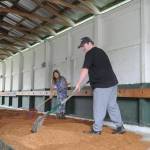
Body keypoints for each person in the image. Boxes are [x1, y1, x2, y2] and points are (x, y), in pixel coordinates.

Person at [75, 37, 125, 135]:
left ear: (89, 43)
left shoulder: (90, 53)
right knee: (112, 106)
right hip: (112, 83)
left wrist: (78, 83)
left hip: (102, 85)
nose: (83, 48)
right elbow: (102, 68)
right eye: (81, 47)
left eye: (83, 46)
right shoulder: (101, 51)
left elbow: (85, 69)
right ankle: (120, 127)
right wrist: (93, 77)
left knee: (99, 107)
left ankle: (96, 130)